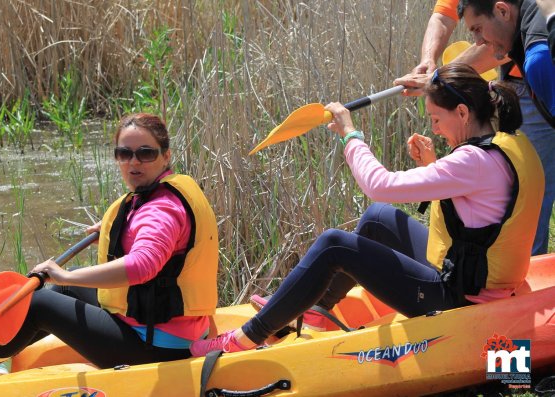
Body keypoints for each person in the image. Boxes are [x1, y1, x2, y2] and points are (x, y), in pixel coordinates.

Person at [190, 63, 544, 356]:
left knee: (334, 245)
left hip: (461, 301)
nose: (434, 128)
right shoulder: (508, 144)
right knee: (377, 217)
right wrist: (433, 165)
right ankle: (314, 310)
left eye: (436, 119)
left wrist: (349, 135)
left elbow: (380, 184)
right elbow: (479, 216)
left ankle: (245, 338)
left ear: (463, 113)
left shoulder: (471, 161)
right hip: (479, 279)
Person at [0, 113, 219, 381]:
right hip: (165, 327)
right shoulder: (162, 193)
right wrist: (116, 230)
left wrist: (64, 273)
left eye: (146, 153)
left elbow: (144, 265)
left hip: (158, 349)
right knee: (66, 289)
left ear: (166, 156)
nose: (133, 162)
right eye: (124, 153)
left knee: (39, 303)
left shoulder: (161, 209)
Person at [396, 0, 555, 255]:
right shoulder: (518, 28)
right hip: (521, 74)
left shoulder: (537, 56)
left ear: (502, 10)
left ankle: (530, 276)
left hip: (536, 72)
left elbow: (381, 186)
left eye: (478, 29)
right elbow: (444, 17)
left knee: (530, 194)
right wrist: (430, 64)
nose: (478, 40)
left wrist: (439, 80)